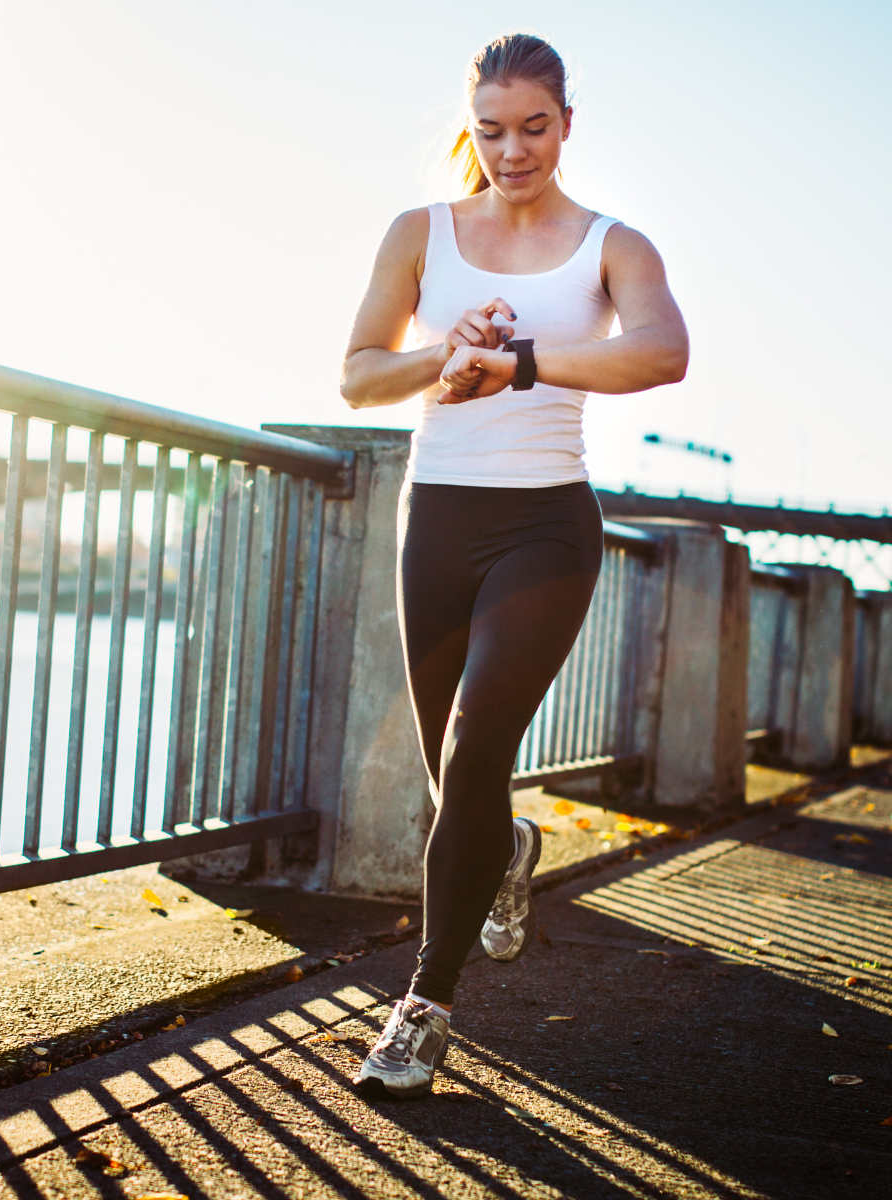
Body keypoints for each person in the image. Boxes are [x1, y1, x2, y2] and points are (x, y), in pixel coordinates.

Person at [337, 32, 689, 1100]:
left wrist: (519, 360)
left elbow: (663, 351)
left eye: (533, 127)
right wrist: (446, 358)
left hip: (544, 527)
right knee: (463, 784)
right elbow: (357, 379)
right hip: (438, 517)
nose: (512, 149)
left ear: (566, 125)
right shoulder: (419, 233)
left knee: (475, 736)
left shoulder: (610, 245)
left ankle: (421, 1009)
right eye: (491, 129)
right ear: (470, 124)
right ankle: (509, 848)